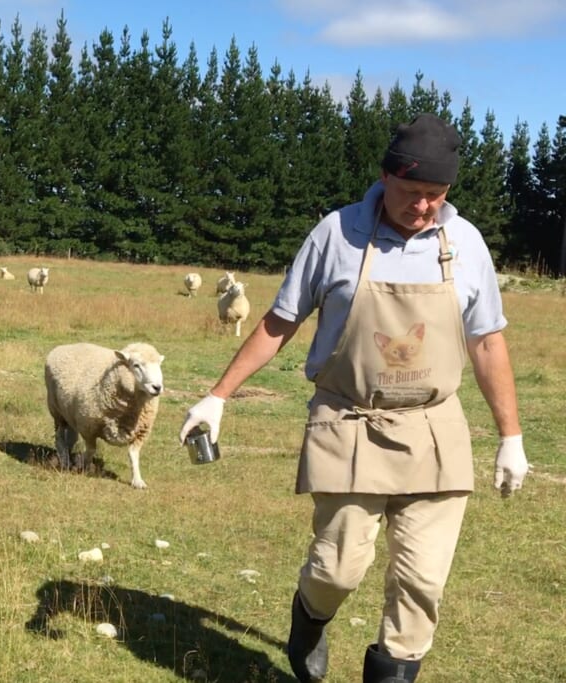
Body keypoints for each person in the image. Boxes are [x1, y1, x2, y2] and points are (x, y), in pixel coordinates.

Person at [178, 113, 530, 683]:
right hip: (349, 421)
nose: (423, 207)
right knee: (338, 568)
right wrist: (218, 396)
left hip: (436, 430)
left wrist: (510, 437)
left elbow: (487, 341)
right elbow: (279, 322)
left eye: (435, 196)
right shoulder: (337, 233)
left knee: (421, 585)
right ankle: (309, 615)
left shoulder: (464, 243)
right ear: (385, 177)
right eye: (413, 193)